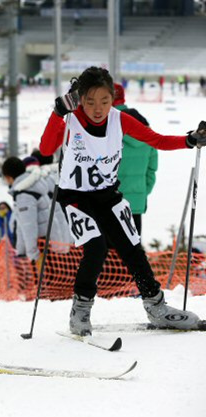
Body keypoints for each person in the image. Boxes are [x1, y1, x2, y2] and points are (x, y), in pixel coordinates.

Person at [39, 66, 205, 336]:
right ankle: (80, 312)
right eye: (90, 101)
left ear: (112, 100)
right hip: (76, 197)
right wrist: (57, 113)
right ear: (80, 98)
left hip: (107, 194)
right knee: (96, 247)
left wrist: (189, 140)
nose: (97, 108)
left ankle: (156, 307)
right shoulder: (71, 120)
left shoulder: (120, 119)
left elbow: (156, 140)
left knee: (132, 247)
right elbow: (46, 150)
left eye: (104, 101)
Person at [2, 157, 70, 267]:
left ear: (9, 177)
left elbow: (29, 227)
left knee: (45, 282)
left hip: (42, 247)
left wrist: (32, 254)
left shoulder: (24, 194)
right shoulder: (33, 185)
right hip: (51, 242)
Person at [114, 83, 157, 234]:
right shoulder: (146, 130)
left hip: (108, 203)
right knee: (132, 254)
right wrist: (142, 192)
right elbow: (152, 169)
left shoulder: (106, 126)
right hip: (135, 204)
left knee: (106, 254)